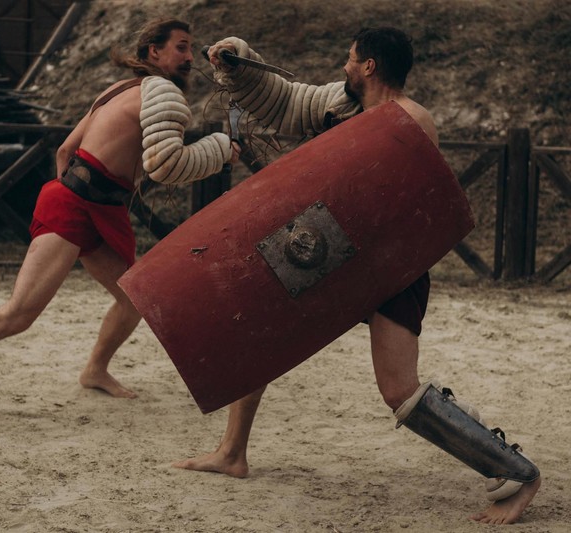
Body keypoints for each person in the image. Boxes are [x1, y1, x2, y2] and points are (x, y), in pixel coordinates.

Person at [172, 27, 541, 525]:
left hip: (389, 268)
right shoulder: (340, 106)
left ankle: (516, 471)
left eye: (350, 59)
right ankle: (232, 453)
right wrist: (237, 59)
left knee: (398, 390)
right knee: (262, 336)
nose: (344, 66)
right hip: (330, 254)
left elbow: (408, 203)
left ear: (369, 66)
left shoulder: (412, 119)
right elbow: (285, 99)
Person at [0, 18, 239, 425]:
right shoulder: (155, 94)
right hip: (76, 205)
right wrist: (221, 149)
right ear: (153, 52)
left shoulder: (116, 90)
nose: (189, 56)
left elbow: (64, 151)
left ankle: (95, 370)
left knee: (134, 300)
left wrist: (78, 191)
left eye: (190, 47)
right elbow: (168, 164)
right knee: (18, 314)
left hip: (98, 208)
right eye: (181, 46)